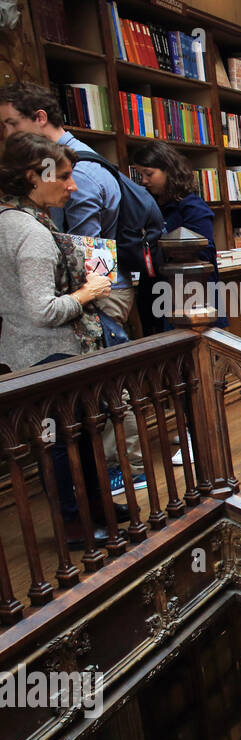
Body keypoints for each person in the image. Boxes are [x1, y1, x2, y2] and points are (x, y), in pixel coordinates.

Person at [0, 132, 114, 549]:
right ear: (34, 175)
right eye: (63, 176)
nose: (73, 185)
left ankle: (95, 511)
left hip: (41, 355)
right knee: (63, 448)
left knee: (76, 440)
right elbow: (42, 310)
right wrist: (87, 293)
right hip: (46, 356)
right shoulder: (27, 231)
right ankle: (77, 525)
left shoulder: (18, 220)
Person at [0, 83, 134, 329]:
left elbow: (86, 248)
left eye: (12, 124)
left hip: (98, 291)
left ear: (40, 117)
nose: (8, 134)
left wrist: (86, 293)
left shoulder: (73, 168)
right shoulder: (64, 163)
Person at [131, 140, 221, 334]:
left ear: (168, 171)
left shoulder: (192, 207)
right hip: (156, 292)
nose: (144, 181)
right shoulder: (149, 206)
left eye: (149, 174)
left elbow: (204, 254)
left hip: (191, 294)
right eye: (140, 175)